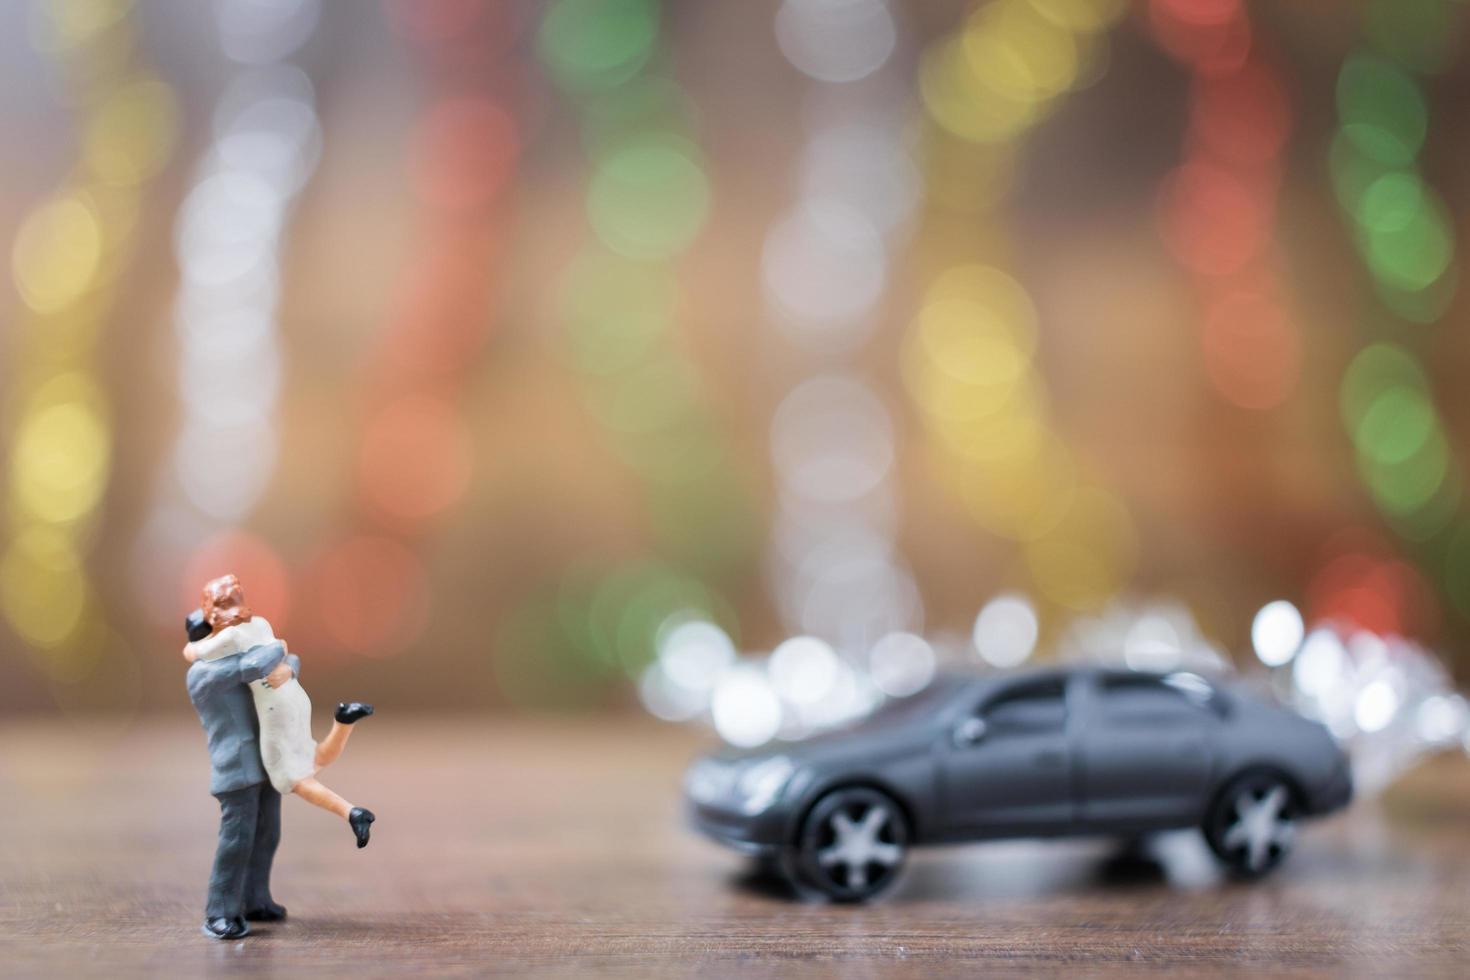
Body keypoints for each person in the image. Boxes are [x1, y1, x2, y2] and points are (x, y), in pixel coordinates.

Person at [183, 574, 375, 940]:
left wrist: (288, 664)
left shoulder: (239, 651)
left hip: (269, 756)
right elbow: (254, 666)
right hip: (237, 767)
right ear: (207, 636)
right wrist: (275, 643)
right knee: (237, 839)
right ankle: (220, 910)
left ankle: (255, 899)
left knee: (268, 833)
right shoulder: (204, 674)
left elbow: (280, 667)